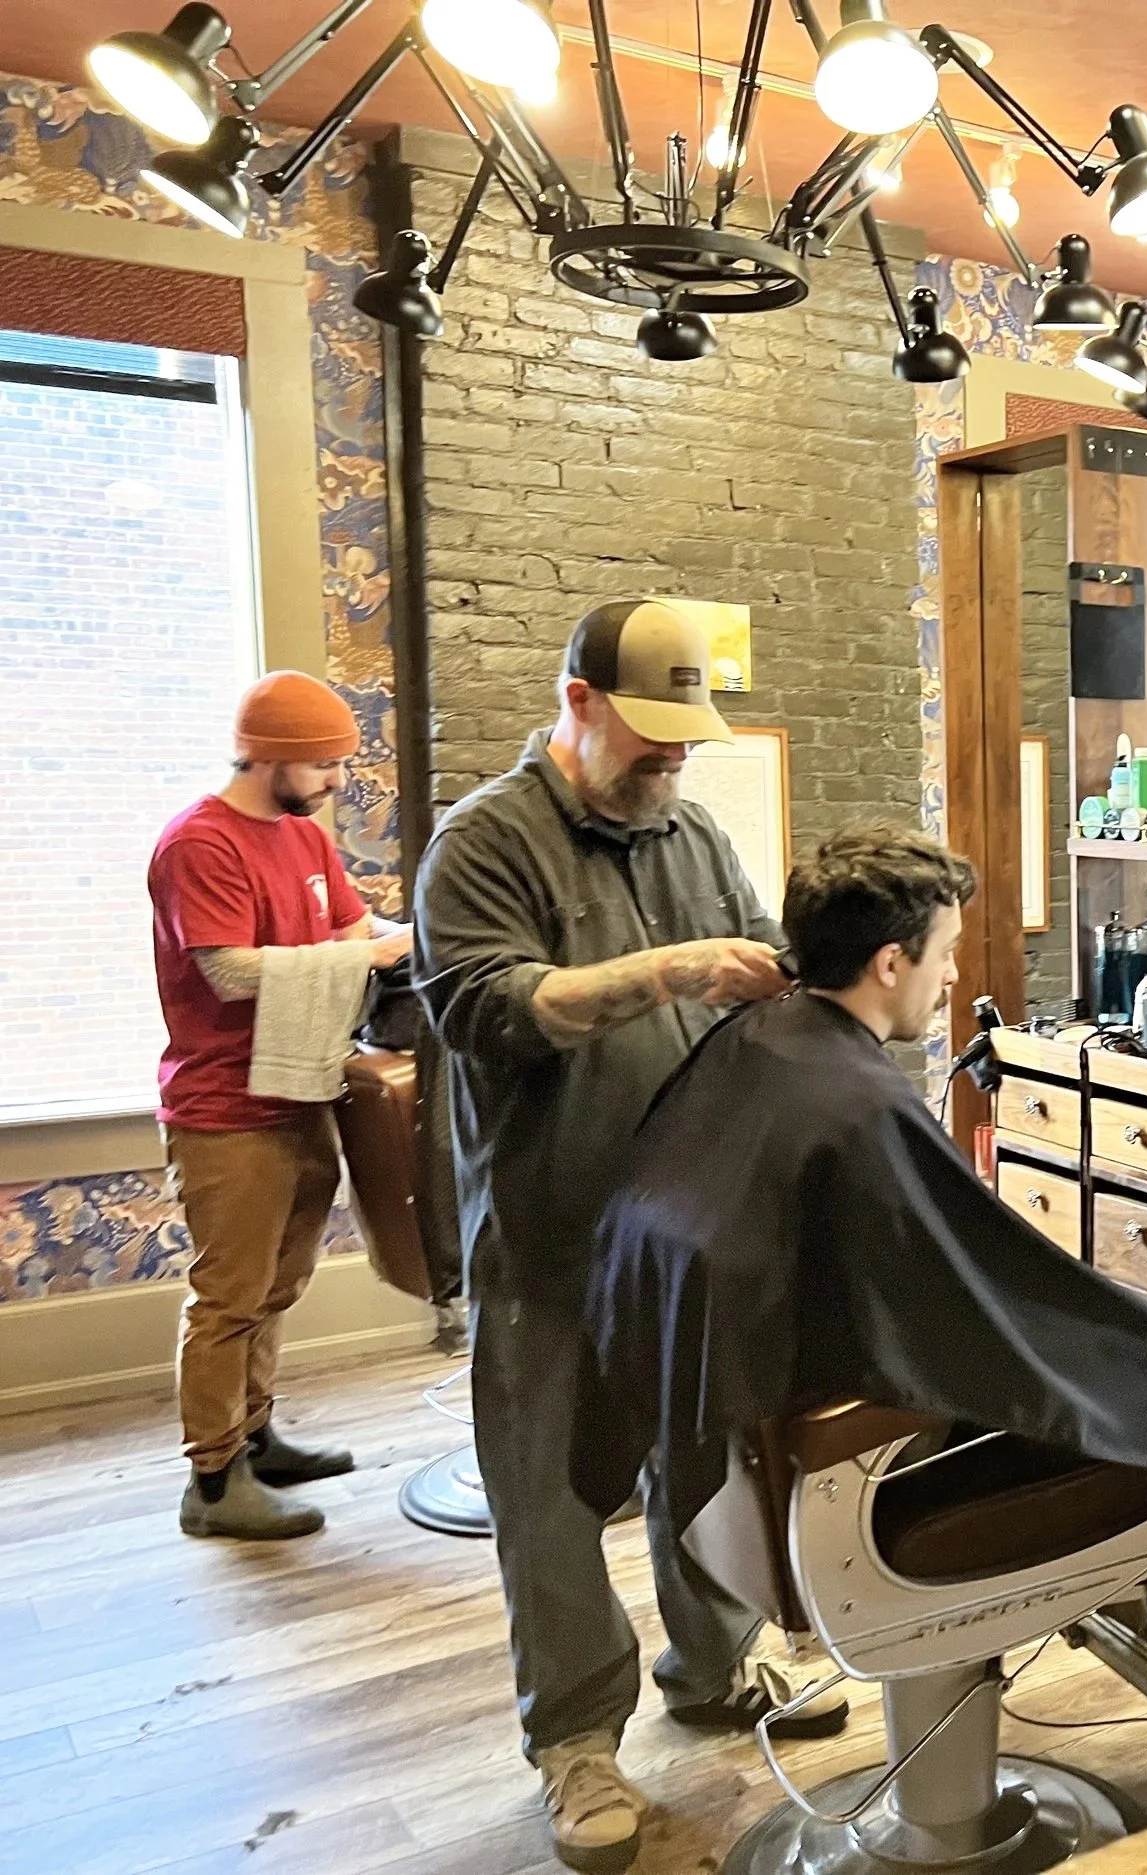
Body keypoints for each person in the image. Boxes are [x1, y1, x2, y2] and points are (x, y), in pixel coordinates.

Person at [576, 826, 1147, 1732]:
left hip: (748, 1471)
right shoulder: (855, 1109)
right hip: (837, 1489)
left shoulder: (755, 1043)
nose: (949, 979)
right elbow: (991, 1309)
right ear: (892, 960)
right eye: (943, 956)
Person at [414, 600, 847, 1875]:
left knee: (696, 1456)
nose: (671, 760)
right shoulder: (482, 847)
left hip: (682, 1229)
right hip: (551, 1233)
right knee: (547, 1496)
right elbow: (499, 1011)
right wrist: (670, 970)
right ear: (579, 701)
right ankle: (577, 1743)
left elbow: (758, 964)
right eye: (649, 736)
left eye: (685, 740)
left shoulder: (692, 829)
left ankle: (714, 1666)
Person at [149, 670, 404, 1542]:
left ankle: (254, 1435)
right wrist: (367, 957)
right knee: (228, 1295)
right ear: (272, 758)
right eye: (326, 765)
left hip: (301, 1087)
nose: (338, 782)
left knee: (279, 1283)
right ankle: (214, 1483)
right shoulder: (199, 844)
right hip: (224, 1105)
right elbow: (229, 967)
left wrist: (410, 933)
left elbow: (349, 926)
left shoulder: (301, 839)